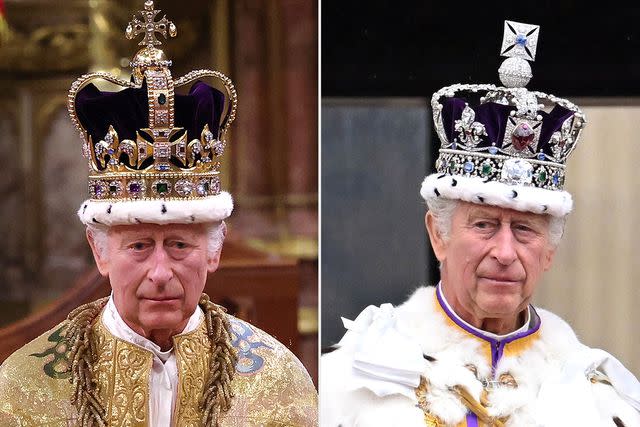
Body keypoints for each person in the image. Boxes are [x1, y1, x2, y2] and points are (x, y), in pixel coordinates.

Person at [0, 1, 317, 426]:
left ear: (213, 252)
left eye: (180, 244)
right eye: (139, 245)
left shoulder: (277, 382)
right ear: (100, 254)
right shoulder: (24, 389)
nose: (160, 271)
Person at [320, 20, 640, 426]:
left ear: (550, 250)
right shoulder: (349, 385)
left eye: (525, 229)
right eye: (484, 225)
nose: (505, 253)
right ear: (439, 235)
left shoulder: (599, 403)